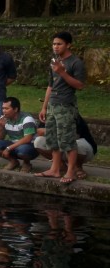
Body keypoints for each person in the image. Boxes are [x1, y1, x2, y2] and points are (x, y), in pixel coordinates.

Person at [35, 31, 86, 184]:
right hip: (52, 105)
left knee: (67, 140)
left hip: (66, 105)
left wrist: (62, 72)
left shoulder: (75, 63)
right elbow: (50, 86)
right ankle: (55, 169)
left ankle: (71, 171)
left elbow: (80, 85)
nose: (55, 47)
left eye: (59, 44)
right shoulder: (54, 62)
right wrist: (44, 107)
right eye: (54, 44)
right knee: (53, 139)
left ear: (68, 45)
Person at [35, 114, 96, 179]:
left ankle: (76, 167)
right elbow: (39, 131)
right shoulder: (48, 113)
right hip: (61, 148)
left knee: (76, 145)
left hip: (83, 147)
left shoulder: (70, 112)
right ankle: (60, 165)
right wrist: (55, 131)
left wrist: (54, 132)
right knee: (39, 141)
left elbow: (73, 135)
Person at [0, 97, 39, 172]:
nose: (4, 111)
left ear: (16, 109)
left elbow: (28, 139)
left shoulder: (27, 119)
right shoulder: (4, 119)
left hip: (30, 146)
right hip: (14, 145)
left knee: (23, 150)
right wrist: (1, 127)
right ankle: (13, 161)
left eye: (7, 109)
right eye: (3, 108)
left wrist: (8, 148)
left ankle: (27, 163)